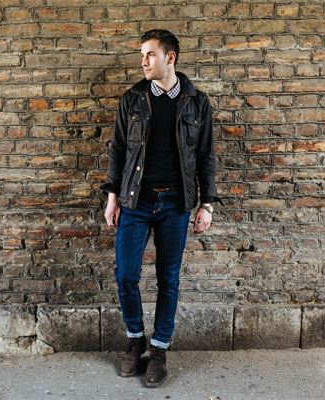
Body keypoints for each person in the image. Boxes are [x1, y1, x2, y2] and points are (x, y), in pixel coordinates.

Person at [101, 29, 222, 388]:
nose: (143, 61)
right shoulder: (132, 100)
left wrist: (207, 204)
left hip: (175, 203)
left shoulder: (197, 102)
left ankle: (159, 349)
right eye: (142, 54)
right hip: (135, 201)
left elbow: (206, 155)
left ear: (170, 57)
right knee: (126, 274)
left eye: (150, 54)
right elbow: (117, 150)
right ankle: (135, 339)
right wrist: (112, 197)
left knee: (168, 279)